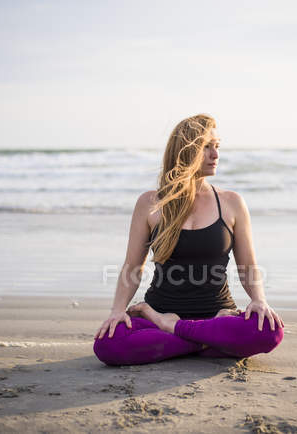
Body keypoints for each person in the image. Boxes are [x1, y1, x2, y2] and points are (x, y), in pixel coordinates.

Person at [93, 114, 284, 366]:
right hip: (163, 313)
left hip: (215, 316)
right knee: (108, 345)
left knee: (269, 331)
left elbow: (247, 266)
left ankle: (174, 332)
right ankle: (207, 342)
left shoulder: (232, 203)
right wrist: (117, 311)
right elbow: (133, 266)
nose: (215, 154)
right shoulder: (150, 203)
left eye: (217, 146)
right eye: (206, 146)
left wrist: (259, 301)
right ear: (185, 151)